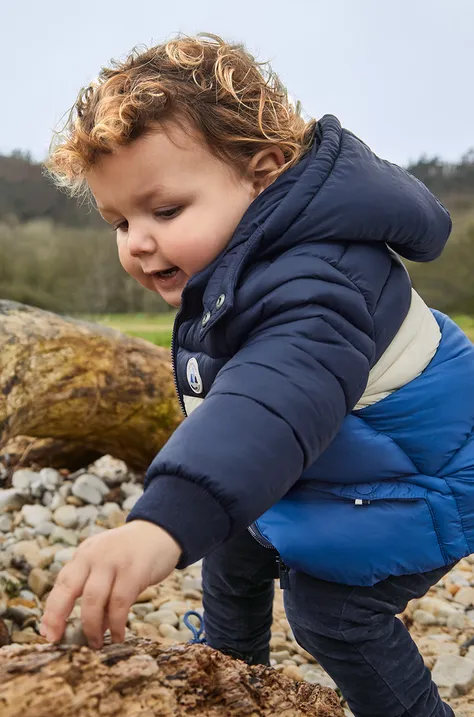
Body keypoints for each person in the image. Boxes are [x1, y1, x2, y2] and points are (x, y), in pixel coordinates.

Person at [40, 34, 474, 717]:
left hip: (426, 479)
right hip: (346, 458)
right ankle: (232, 676)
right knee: (235, 537)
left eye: (165, 210)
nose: (138, 242)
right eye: (119, 220)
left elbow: (272, 399)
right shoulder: (249, 259)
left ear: (264, 173)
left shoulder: (314, 277)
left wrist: (163, 523)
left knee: (332, 612)